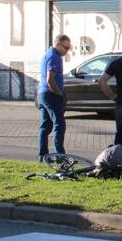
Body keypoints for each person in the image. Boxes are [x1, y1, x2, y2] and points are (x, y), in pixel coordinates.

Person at [37, 34, 71, 162]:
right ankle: (60, 155)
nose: (67, 51)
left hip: (43, 94)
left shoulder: (48, 54)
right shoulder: (54, 56)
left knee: (45, 126)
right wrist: (59, 93)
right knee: (59, 124)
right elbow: (50, 79)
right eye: (66, 48)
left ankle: (42, 155)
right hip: (50, 95)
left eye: (69, 48)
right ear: (58, 44)